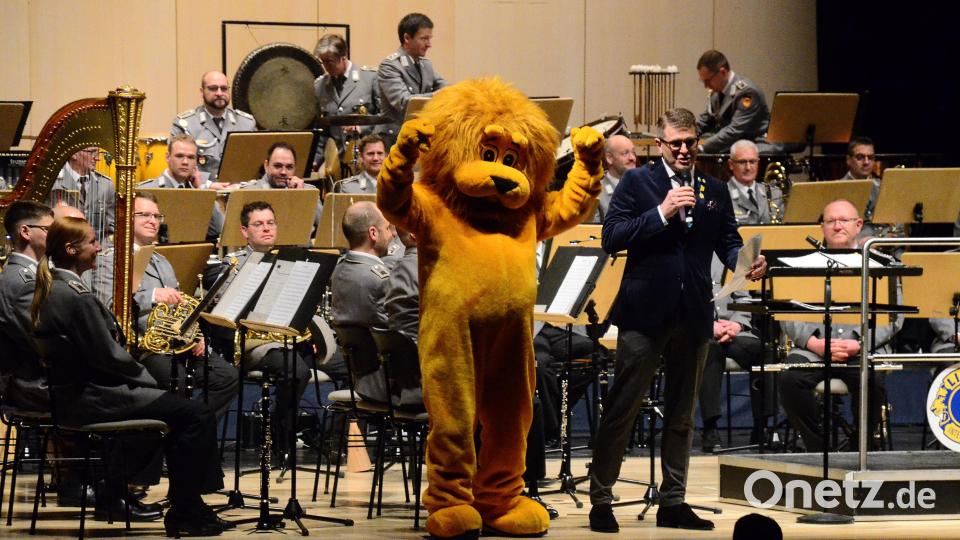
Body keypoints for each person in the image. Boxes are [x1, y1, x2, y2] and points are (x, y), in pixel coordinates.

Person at [588, 108, 766, 533]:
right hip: (644, 314)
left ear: (698, 142)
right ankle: (601, 499)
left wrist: (746, 263)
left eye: (690, 142)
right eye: (676, 143)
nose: (684, 150)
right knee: (622, 408)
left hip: (694, 313)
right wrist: (661, 212)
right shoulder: (637, 182)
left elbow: (727, 241)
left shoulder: (714, 188)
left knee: (682, 414)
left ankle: (673, 501)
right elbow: (612, 237)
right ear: (660, 145)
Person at [30, 217, 226, 535]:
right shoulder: (77, 297)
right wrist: (147, 381)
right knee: (197, 415)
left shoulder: (56, 288)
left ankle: (184, 505)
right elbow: (109, 357)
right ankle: (188, 510)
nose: (99, 247)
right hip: (97, 397)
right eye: (92, 242)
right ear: (71, 249)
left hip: (80, 395)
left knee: (182, 415)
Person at [86, 192, 238, 421]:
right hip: (142, 346)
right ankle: (187, 427)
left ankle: (194, 428)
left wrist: (193, 334)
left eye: (156, 216)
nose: (153, 221)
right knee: (175, 381)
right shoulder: (110, 259)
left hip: (177, 341)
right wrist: (153, 295)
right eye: (144, 215)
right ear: (126, 219)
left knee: (227, 377)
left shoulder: (161, 260)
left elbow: (180, 307)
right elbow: (108, 304)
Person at [778, 199, 899, 452]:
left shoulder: (881, 264)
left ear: (858, 225)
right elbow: (788, 313)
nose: (837, 226)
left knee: (872, 381)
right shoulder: (802, 264)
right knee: (789, 379)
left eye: (844, 220)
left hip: (861, 349)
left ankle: (858, 449)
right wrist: (813, 343)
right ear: (822, 227)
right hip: (813, 349)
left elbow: (894, 316)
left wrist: (860, 343)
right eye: (831, 221)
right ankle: (817, 449)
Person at [330, 201, 395, 403]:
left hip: (358, 377)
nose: (392, 235)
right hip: (389, 382)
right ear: (373, 233)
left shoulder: (339, 270)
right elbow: (398, 334)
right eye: (387, 228)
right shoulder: (378, 279)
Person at [0, 201, 54, 411]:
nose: (56, 235)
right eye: (49, 229)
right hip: (40, 386)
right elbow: (48, 342)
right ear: (25, 232)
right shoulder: (25, 282)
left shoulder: (27, 275)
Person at [377, 12, 448, 145]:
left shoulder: (426, 65)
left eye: (429, 38)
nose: (429, 44)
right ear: (407, 38)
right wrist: (436, 96)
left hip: (418, 137)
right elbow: (404, 102)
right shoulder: (390, 66)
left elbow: (445, 87)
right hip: (394, 141)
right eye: (424, 39)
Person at [137, 134, 226, 238]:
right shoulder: (148, 190)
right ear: (167, 157)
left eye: (191, 157)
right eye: (179, 156)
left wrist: (201, 188)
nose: (185, 162)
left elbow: (218, 229)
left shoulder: (198, 193)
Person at [171, 71, 257, 179]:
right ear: (202, 92)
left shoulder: (247, 123)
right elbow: (177, 165)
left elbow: (256, 162)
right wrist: (208, 184)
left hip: (239, 186)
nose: (219, 93)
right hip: (201, 187)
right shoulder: (185, 124)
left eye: (224, 89)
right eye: (213, 88)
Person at [314, 33, 381, 165]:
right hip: (337, 163)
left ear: (343, 57)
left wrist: (362, 129)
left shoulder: (369, 78)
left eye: (329, 61)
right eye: (323, 61)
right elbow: (322, 130)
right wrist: (314, 161)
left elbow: (384, 118)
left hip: (367, 158)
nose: (326, 66)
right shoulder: (320, 86)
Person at [695, 50, 769, 155]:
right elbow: (705, 120)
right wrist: (687, 134)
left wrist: (702, 147)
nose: (706, 86)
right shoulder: (717, 91)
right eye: (703, 81)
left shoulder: (747, 93)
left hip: (753, 147)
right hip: (732, 145)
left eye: (708, 80)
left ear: (722, 72)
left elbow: (734, 130)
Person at [239, 142, 322, 231]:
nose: (283, 172)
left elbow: (326, 226)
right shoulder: (247, 192)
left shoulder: (309, 192)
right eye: (278, 166)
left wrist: (303, 196)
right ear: (266, 166)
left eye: (289, 167)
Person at [49, 147, 115, 242]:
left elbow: (111, 227)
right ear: (74, 154)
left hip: (97, 248)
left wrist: (102, 248)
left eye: (98, 153)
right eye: (92, 152)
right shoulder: (53, 182)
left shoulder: (105, 185)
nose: (98, 158)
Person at [726, 139, 783, 225]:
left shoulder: (774, 194)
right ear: (731, 164)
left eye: (752, 162)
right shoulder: (721, 195)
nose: (748, 167)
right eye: (742, 162)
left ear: (758, 163)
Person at [592, 134, 636, 222]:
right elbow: (591, 229)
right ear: (609, 158)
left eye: (633, 152)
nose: (632, 158)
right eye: (625, 153)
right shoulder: (595, 192)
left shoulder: (646, 184)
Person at [841, 136, 880, 221]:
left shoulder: (883, 187)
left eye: (870, 158)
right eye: (860, 157)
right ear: (848, 160)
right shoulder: (837, 189)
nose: (866, 162)